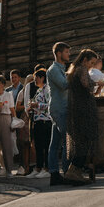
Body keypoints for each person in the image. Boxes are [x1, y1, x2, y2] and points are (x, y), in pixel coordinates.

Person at [65, 48, 103, 183]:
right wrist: (97, 83)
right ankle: (73, 171)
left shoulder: (74, 69)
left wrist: (96, 88)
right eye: (91, 63)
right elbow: (86, 84)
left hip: (79, 109)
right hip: (82, 111)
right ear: (85, 60)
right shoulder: (81, 69)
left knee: (81, 142)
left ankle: (75, 171)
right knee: (83, 141)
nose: (92, 66)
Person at [47, 42, 71, 185]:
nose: (68, 55)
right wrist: (75, 76)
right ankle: (67, 173)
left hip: (59, 108)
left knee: (55, 144)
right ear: (59, 53)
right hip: (59, 109)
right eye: (66, 52)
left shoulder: (61, 69)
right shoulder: (54, 69)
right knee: (68, 141)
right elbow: (64, 85)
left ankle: (54, 174)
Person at [88, 58, 104, 174]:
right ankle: (99, 163)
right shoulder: (99, 74)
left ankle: (91, 163)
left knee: (93, 137)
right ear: (100, 63)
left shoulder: (88, 73)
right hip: (102, 105)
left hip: (91, 106)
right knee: (102, 136)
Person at [26, 69, 51, 179]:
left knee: (46, 146)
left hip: (45, 121)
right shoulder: (38, 90)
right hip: (37, 120)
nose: (34, 80)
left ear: (42, 78)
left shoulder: (47, 89)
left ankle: (47, 168)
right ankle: (38, 168)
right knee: (38, 146)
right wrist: (31, 108)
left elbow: (49, 105)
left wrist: (37, 105)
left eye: (36, 78)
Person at [14, 74, 35, 175]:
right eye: (30, 80)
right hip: (25, 118)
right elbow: (17, 107)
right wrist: (27, 105)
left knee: (33, 144)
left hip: (34, 117)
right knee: (25, 144)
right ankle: (26, 166)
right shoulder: (22, 92)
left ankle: (33, 166)